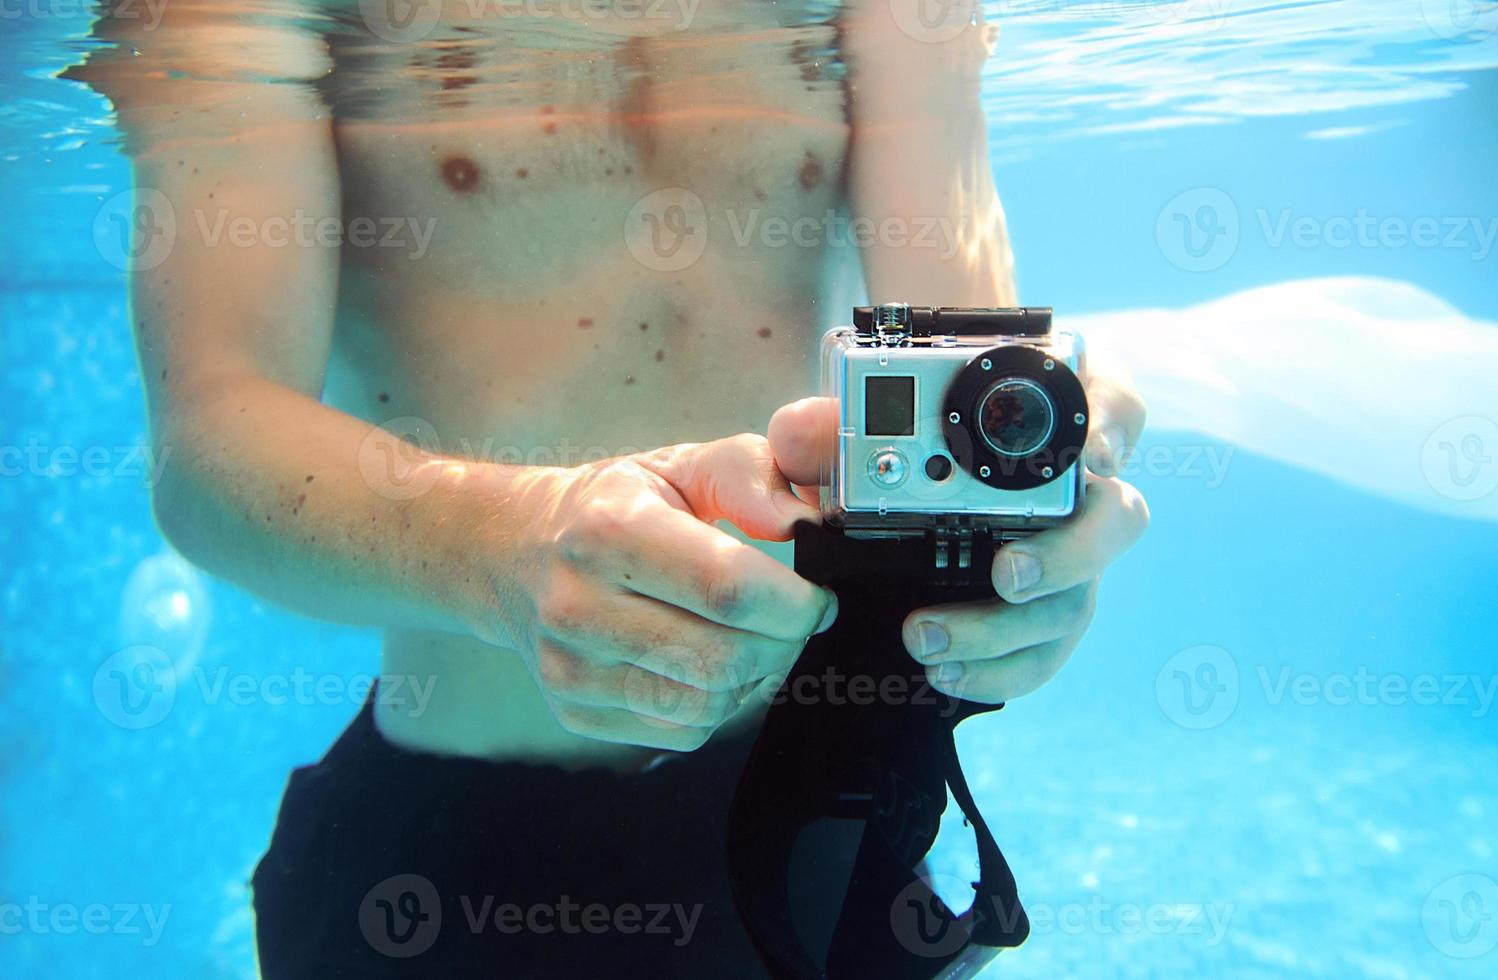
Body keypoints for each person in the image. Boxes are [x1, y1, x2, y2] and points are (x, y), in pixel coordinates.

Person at [70, 0, 1148, 974]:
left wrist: (1035, 536)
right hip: (455, 859)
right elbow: (206, 444)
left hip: (829, 800)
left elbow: (969, 395)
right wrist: (510, 545)